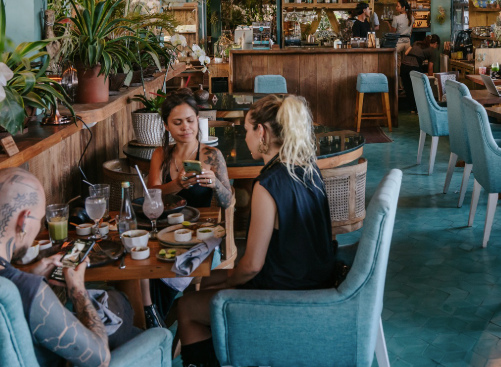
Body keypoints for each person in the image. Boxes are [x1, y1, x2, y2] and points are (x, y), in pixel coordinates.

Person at [176, 94, 335, 367]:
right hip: (314, 280)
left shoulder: (267, 184)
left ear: (261, 131)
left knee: (186, 307)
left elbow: (251, 266)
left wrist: (228, 282)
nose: (245, 137)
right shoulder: (308, 167)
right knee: (201, 281)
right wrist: (223, 279)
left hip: (283, 294)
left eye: (247, 130)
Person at [0, 168, 139, 367]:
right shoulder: (30, 290)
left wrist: (28, 274)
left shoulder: (16, 284)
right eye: (41, 220)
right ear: (23, 221)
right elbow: (100, 360)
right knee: (122, 308)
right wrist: (77, 289)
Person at [142, 89, 231, 328]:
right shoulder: (161, 154)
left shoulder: (211, 155)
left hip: (199, 235)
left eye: (190, 120)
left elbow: (227, 201)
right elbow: (151, 196)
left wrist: (216, 184)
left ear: (198, 120)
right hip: (163, 232)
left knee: (160, 271)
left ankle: (154, 320)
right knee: (143, 263)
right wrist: (177, 184)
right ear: (166, 125)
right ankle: (152, 317)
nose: (185, 127)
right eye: (177, 122)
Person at [401, 34, 440, 114]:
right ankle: (419, 109)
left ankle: (413, 108)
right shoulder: (432, 51)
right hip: (414, 66)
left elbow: (406, 53)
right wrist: (430, 80)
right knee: (419, 88)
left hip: (404, 66)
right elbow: (430, 68)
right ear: (435, 43)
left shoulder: (416, 43)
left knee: (408, 89)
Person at [390, 0, 413, 64]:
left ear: (403, 8)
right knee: (406, 62)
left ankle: (398, 71)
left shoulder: (396, 18)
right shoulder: (411, 17)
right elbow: (411, 31)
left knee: (397, 63)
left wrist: (388, 24)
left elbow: (393, 31)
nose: (396, 8)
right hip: (407, 42)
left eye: (398, 6)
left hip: (398, 42)